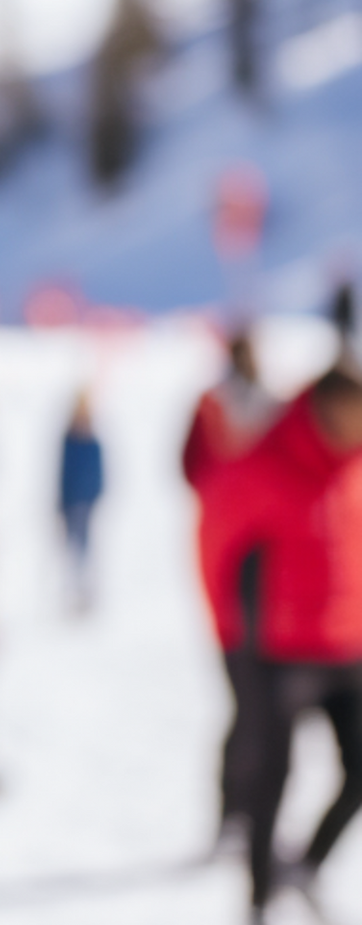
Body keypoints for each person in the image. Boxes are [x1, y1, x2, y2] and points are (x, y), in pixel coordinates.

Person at [211, 358, 362, 925]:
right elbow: (219, 552)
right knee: (271, 774)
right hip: (279, 649)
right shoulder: (264, 463)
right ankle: (258, 904)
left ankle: (305, 869)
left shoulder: (353, 464)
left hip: (348, 642)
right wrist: (232, 642)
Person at [182, 331, 278, 853]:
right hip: (232, 559)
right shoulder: (213, 407)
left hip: (274, 564)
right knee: (247, 703)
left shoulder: (275, 407)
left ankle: (254, 815)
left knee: (269, 711)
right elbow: (192, 469)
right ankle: (233, 813)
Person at [59, 392, 105, 609]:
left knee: (85, 548)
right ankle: (72, 591)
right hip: (70, 502)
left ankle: (85, 591)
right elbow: (63, 473)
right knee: (71, 548)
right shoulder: (69, 439)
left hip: (86, 503)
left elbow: (98, 473)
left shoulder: (92, 441)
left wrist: (95, 495)